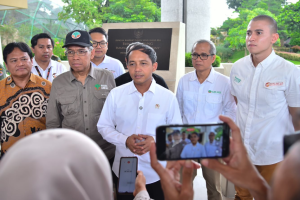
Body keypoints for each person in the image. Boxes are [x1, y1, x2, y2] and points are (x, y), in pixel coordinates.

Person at [97, 42, 182, 200]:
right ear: (126, 65)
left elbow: (177, 134)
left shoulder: (168, 97)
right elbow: (103, 126)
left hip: (157, 172)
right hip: (124, 170)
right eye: (132, 64)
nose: (137, 69)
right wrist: (125, 140)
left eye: (143, 63)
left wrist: (155, 142)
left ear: (154, 66)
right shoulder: (116, 94)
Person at [230, 15, 300, 200]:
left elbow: (297, 118)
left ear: (274, 38)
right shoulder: (237, 68)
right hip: (242, 151)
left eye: (258, 33)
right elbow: (240, 103)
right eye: (248, 33)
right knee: (241, 196)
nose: (251, 38)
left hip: (274, 154)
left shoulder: (289, 71)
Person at [176, 39, 236, 200]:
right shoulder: (184, 81)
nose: (198, 59)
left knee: (214, 188)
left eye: (203, 55)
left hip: (212, 141)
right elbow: (178, 112)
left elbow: (231, 112)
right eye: (195, 54)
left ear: (213, 58)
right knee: (182, 185)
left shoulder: (224, 83)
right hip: (187, 140)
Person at [46, 30, 116, 163]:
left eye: (81, 51)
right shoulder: (58, 82)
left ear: (92, 53)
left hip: (105, 153)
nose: (75, 57)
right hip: (72, 155)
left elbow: (116, 115)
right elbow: (53, 123)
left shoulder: (107, 77)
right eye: (70, 52)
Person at [0, 42, 51, 158]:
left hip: (43, 155)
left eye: (24, 59)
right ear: (6, 65)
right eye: (14, 60)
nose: (20, 64)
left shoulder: (48, 87)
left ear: (31, 61)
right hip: (9, 158)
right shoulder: (0, 89)